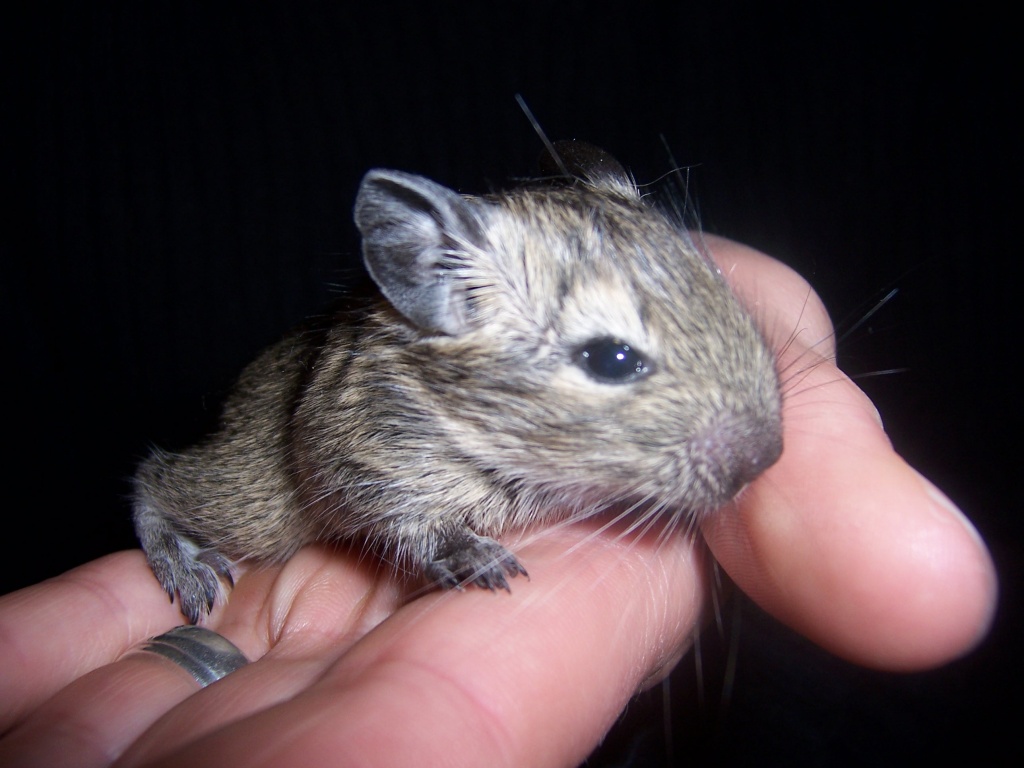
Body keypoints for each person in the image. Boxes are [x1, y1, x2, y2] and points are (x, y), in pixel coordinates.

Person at [0, 238, 997, 768]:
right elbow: (344, 468)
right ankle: (160, 505)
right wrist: (433, 537)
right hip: (282, 465)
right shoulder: (400, 399)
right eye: (610, 358)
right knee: (246, 514)